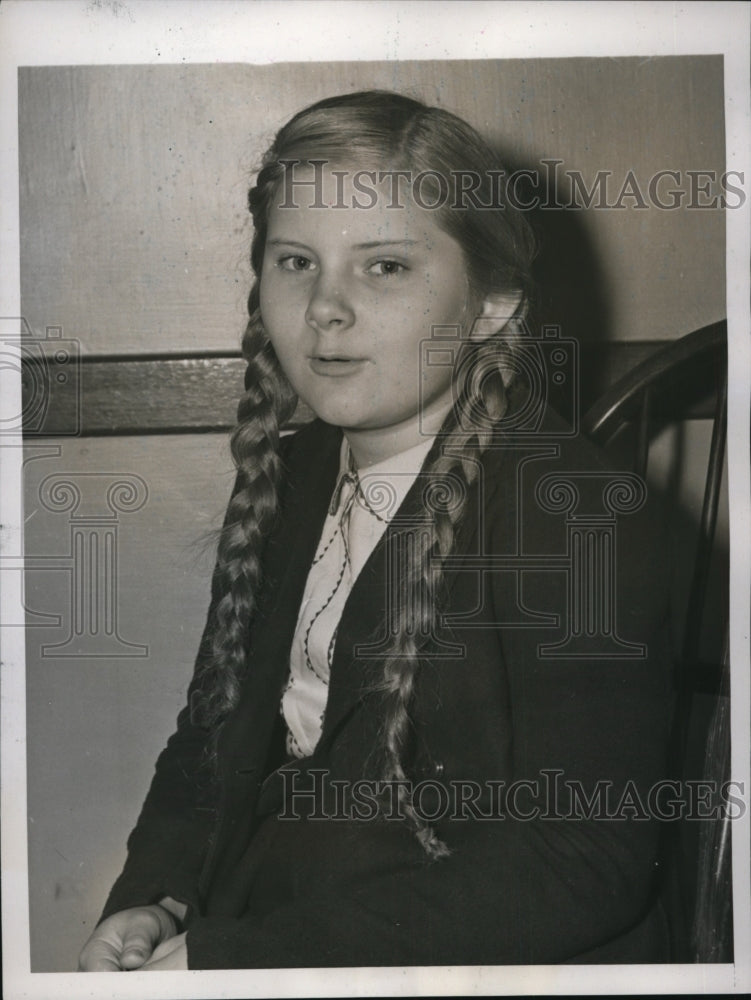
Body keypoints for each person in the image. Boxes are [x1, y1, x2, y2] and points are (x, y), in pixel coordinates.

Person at [78, 90, 672, 971]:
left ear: (491, 304)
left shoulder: (573, 511)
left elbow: (581, 858)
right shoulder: (291, 476)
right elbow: (210, 742)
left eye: (384, 266)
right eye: (295, 262)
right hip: (277, 928)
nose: (325, 307)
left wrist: (249, 959)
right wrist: (152, 901)